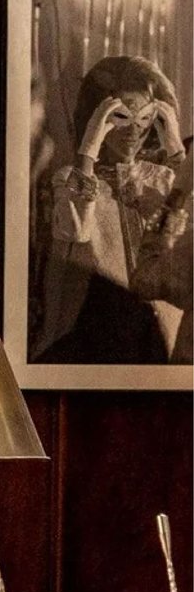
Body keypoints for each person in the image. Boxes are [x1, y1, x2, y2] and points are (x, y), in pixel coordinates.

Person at [35, 48, 193, 368]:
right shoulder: (71, 179)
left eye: (146, 118)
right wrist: (88, 149)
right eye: (121, 117)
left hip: (167, 337)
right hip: (101, 336)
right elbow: (73, 228)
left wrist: (175, 149)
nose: (134, 130)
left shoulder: (164, 178)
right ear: (99, 118)